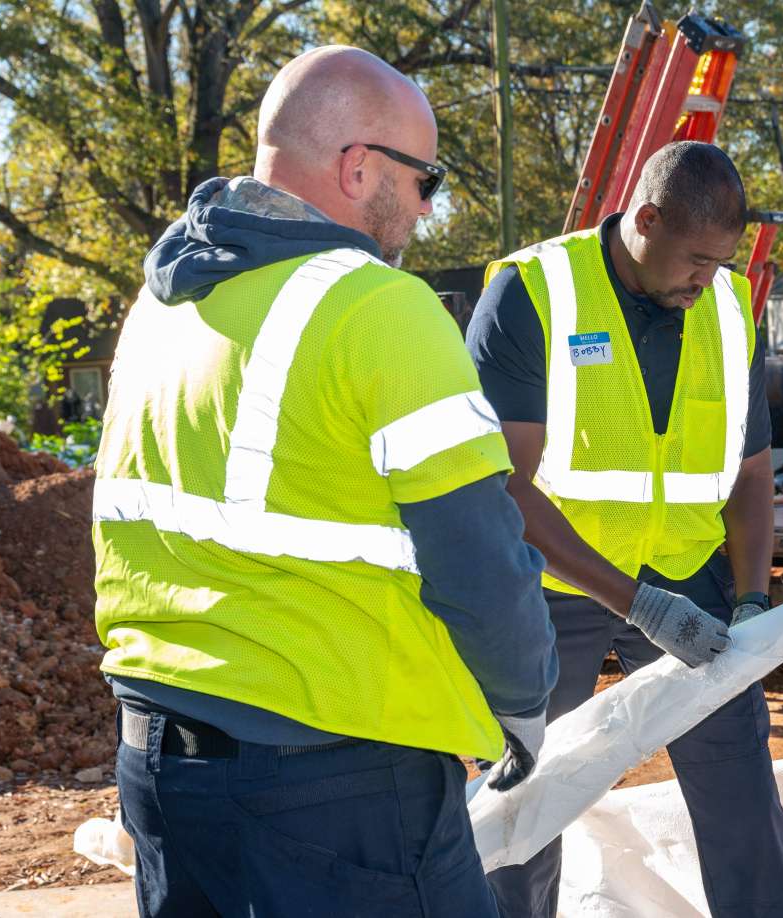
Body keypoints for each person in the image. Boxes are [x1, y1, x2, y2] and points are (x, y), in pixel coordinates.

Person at [92, 45, 558, 917]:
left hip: (157, 764)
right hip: (339, 782)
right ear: (358, 167)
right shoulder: (381, 307)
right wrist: (523, 702)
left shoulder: (159, 306)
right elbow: (480, 561)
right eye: (425, 179)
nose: (428, 205)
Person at [466, 141, 783, 918]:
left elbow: (751, 474)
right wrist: (639, 604)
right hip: (551, 583)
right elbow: (502, 485)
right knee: (522, 799)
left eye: (721, 262)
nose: (707, 280)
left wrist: (752, 601)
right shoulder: (535, 292)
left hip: (690, 579)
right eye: (696, 260)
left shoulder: (728, 307)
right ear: (646, 220)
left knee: (740, 791)